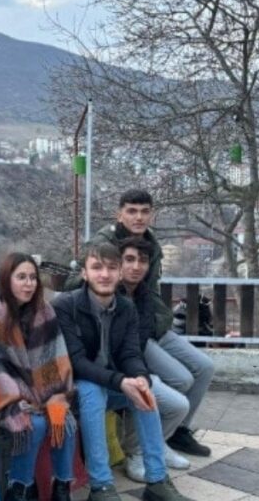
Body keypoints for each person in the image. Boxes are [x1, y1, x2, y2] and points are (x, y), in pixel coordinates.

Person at [52, 242, 190, 501]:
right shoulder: (66, 306)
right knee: (92, 390)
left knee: (144, 392)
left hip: (111, 384)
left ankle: (157, 481)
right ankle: (101, 486)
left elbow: (130, 354)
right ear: (84, 273)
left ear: (119, 273)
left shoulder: (126, 307)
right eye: (96, 268)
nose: (104, 274)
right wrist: (120, 381)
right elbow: (77, 362)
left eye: (111, 268)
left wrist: (140, 377)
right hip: (73, 388)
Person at [90, 190, 213, 458]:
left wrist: (160, 320)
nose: (139, 217)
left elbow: (150, 290)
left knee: (204, 367)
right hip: (126, 332)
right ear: (119, 213)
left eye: (145, 211)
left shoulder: (151, 242)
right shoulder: (105, 242)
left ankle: (178, 431)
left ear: (152, 214)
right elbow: (84, 284)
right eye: (132, 211)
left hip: (151, 323)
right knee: (180, 379)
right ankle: (150, 442)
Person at [0, 253, 76, 501]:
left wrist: (57, 396)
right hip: (4, 396)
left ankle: (61, 488)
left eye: (32, 277)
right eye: (21, 277)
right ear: (6, 280)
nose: (29, 283)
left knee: (63, 420)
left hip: (43, 392)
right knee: (32, 425)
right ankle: (20, 488)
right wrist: (19, 399)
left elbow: (56, 356)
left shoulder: (44, 311)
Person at [117, 237, 192, 482]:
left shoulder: (143, 294)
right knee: (153, 395)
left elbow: (138, 340)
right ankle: (136, 452)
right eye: (129, 260)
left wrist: (142, 371)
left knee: (181, 397)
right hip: (112, 370)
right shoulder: (110, 292)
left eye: (142, 261)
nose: (136, 266)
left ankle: (156, 444)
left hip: (133, 362)